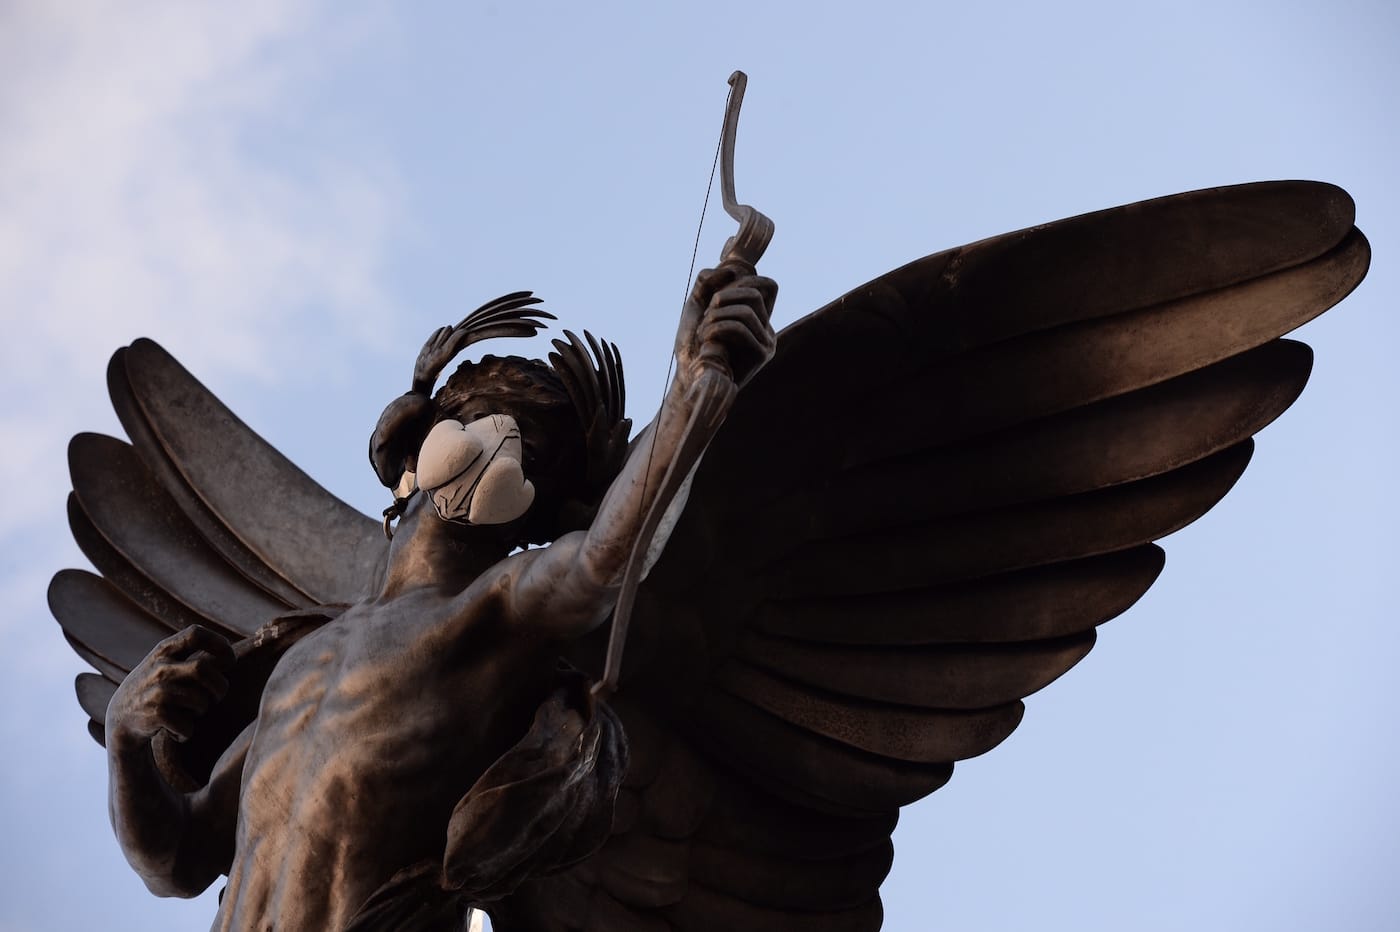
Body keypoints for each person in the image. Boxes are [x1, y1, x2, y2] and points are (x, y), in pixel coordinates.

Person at [103, 265, 777, 930]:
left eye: (532, 455)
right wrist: (125, 737)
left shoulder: (498, 614)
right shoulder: (302, 663)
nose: (503, 446)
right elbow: (177, 860)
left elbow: (606, 559)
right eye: (485, 419)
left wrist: (695, 384)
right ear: (418, 443)